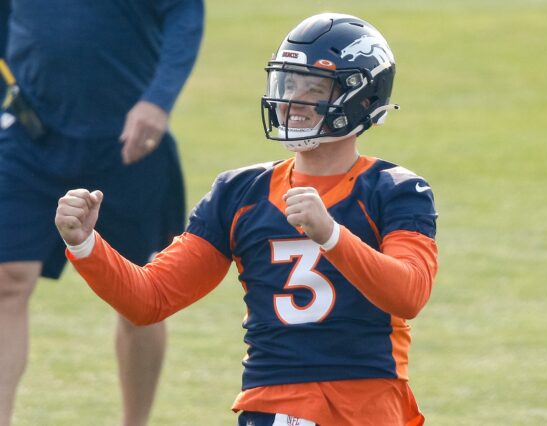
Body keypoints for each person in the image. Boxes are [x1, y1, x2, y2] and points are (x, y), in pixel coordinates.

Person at [56, 13, 438, 426]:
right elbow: (151, 299)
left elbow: (409, 294)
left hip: (369, 403)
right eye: (289, 84)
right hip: (275, 401)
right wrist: (86, 244)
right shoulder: (241, 192)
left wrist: (331, 235)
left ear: (362, 99)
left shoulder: (395, 189)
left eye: (314, 89)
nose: (293, 102)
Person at [0, 1, 204, 425]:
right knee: (6, 279)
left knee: (140, 294)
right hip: (28, 134)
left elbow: (185, 12)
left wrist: (158, 101)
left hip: (128, 142)